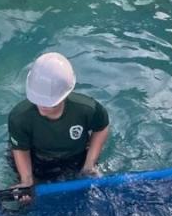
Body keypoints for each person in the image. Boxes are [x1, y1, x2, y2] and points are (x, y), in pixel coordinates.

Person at [8, 52, 110, 185]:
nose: (43, 105)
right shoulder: (20, 117)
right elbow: (20, 148)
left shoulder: (87, 109)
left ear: (65, 95)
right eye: (38, 100)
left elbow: (101, 127)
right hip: (37, 160)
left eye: (49, 102)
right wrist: (26, 180)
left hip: (76, 157)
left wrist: (89, 164)